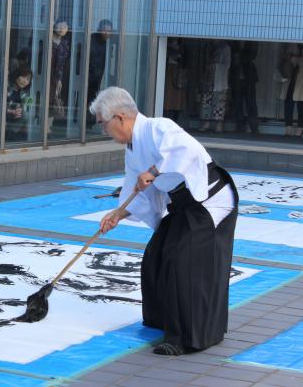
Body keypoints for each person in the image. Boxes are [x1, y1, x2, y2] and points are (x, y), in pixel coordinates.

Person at [93, 86, 238, 356]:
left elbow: (188, 153)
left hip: (209, 200)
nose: (105, 131)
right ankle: (164, 322)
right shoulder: (133, 149)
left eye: (104, 125)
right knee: (156, 256)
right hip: (184, 206)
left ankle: (186, 337)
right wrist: (117, 215)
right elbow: (134, 193)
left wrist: (155, 171)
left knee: (182, 260)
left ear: (120, 117)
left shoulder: (159, 127)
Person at [283, 44, 303, 137]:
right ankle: (288, 128)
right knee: (288, 102)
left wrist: (295, 58)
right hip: (291, 77)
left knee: (301, 103)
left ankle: (300, 129)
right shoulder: (293, 45)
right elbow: (288, 57)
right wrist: (302, 57)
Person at [199, 41, 230, 133]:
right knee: (206, 102)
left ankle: (218, 125)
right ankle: (206, 123)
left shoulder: (225, 47)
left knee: (219, 102)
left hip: (219, 79)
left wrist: (214, 64)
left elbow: (227, 65)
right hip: (209, 79)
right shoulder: (208, 46)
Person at [86, 19, 112, 128]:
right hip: (89, 76)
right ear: (98, 30)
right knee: (89, 98)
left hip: (97, 77)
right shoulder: (92, 40)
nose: (107, 33)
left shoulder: (107, 43)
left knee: (92, 98)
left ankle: (89, 122)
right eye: (104, 30)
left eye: (109, 31)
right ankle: (87, 122)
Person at [230, 41, 259, 133]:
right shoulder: (234, 42)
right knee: (237, 104)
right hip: (237, 77)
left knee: (251, 104)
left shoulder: (251, 41)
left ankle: (253, 127)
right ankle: (240, 126)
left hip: (248, 77)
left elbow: (253, 54)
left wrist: (240, 56)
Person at [48, 18, 70, 133]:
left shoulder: (65, 43)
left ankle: (48, 127)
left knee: (53, 99)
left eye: (65, 26)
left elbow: (63, 63)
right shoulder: (47, 38)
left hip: (57, 76)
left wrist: (59, 79)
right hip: (46, 72)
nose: (62, 29)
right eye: (60, 26)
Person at [6, 65, 32, 142]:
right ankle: (9, 135)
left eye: (28, 79)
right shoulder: (7, 87)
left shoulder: (23, 92)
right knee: (25, 116)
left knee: (26, 115)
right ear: (17, 75)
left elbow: (30, 104)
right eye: (23, 77)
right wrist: (11, 111)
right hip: (5, 116)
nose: (25, 81)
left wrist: (20, 108)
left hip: (15, 118)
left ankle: (16, 138)